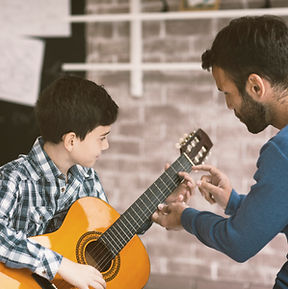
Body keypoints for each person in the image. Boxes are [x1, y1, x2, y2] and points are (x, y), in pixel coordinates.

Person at [0, 75, 194, 289]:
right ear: (71, 140)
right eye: (102, 137)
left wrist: (163, 198)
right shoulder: (14, 178)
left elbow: (108, 235)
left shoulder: (88, 179)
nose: (106, 145)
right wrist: (62, 266)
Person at [152, 15, 288, 289]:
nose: (229, 106)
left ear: (255, 86)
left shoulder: (282, 150)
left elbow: (239, 242)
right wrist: (234, 202)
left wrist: (184, 217)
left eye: (226, 93)